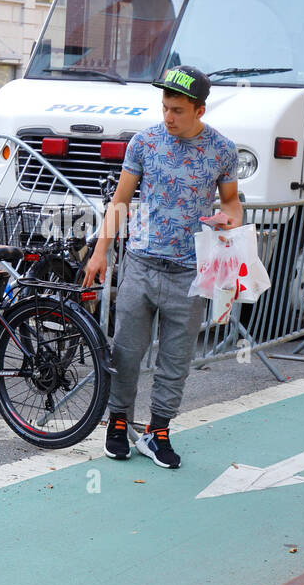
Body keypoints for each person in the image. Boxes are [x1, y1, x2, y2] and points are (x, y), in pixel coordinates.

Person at [81, 65, 241, 469]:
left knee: (176, 360)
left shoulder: (222, 150)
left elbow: (231, 202)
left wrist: (230, 218)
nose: (167, 117)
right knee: (127, 352)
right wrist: (100, 252)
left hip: (191, 273)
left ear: (199, 110)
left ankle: (159, 432)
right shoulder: (144, 143)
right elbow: (119, 202)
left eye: (177, 110)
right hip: (141, 264)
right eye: (165, 107)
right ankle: (117, 424)